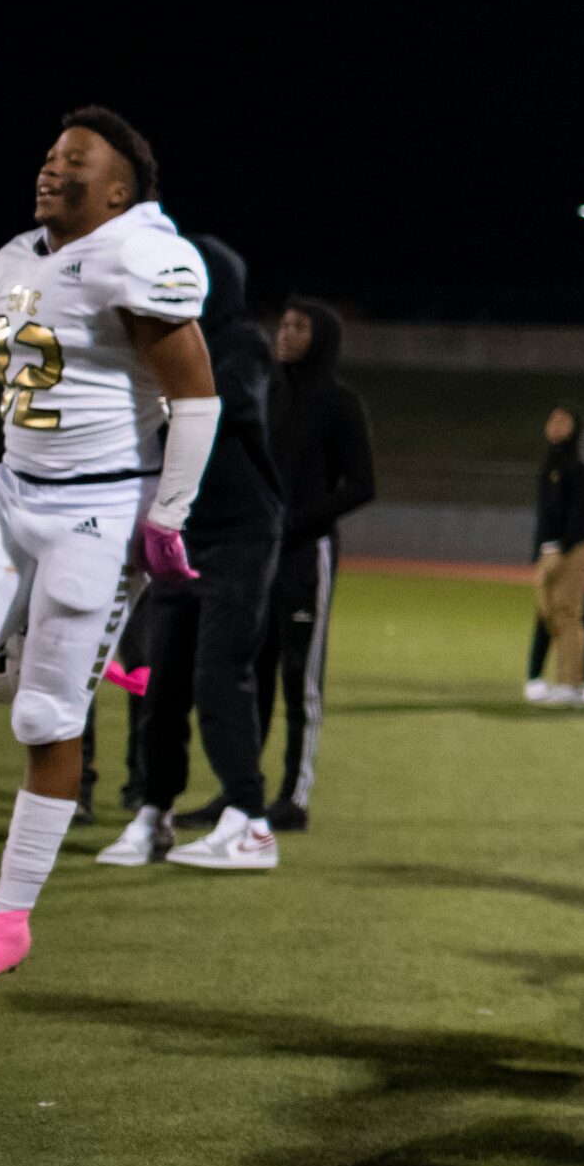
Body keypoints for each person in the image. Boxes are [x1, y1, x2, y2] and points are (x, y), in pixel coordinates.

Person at [0, 110, 221, 995]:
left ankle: (6, 922)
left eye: (74, 160)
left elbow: (196, 400)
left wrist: (166, 517)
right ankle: (39, 653)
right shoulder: (10, 260)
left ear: (120, 191)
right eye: (47, 154)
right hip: (11, 492)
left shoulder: (137, 255)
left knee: (43, 720)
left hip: (99, 507)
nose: (50, 167)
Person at [102, 236, 285, 869]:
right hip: (182, 530)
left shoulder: (243, 344)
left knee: (218, 675)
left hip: (239, 533)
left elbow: (216, 404)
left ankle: (250, 820)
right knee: (162, 682)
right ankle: (154, 814)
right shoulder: (162, 346)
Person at [256, 298, 374, 830]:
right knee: (251, 675)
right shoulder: (265, 392)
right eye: (282, 324)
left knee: (298, 679)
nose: (285, 333)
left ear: (321, 336)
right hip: (255, 556)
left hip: (308, 556)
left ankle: (293, 797)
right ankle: (242, 791)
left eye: (299, 326)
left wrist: (297, 522)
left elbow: (362, 485)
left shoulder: (339, 402)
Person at [526, 408, 584, 706]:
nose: (555, 426)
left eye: (563, 421)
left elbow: (580, 512)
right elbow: (545, 512)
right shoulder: (552, 460)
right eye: (552, 419)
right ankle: (559, 680)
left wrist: (564, 546)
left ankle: (571, 684)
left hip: (570, 549)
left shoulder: (578, 463)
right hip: (550, 549)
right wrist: (540, 549)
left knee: (569, 615)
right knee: (549, 612)